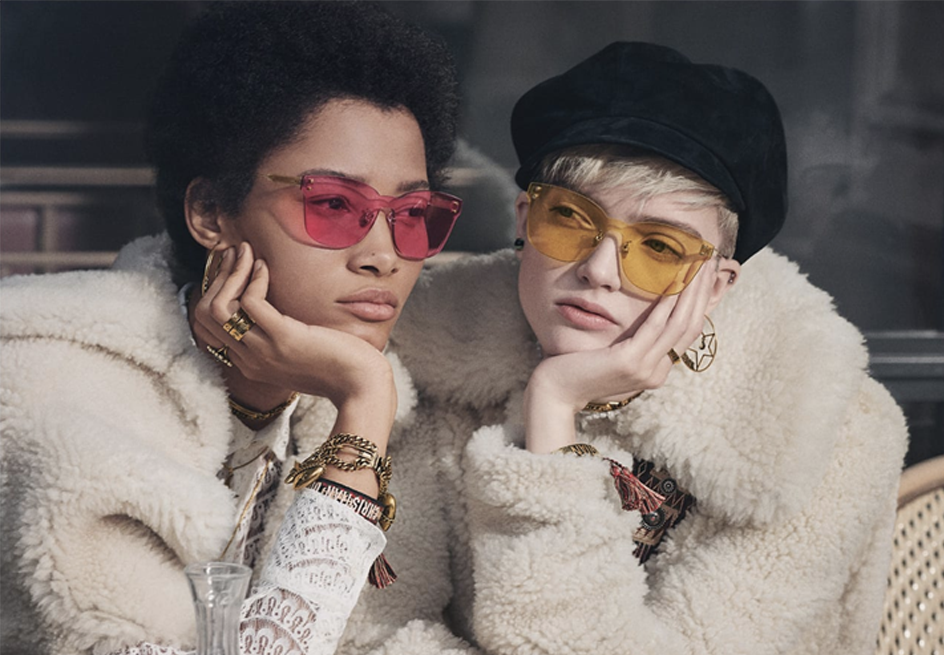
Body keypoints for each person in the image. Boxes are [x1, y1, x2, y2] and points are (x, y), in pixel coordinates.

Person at [388, 42, 909, 654]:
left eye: (660, 247)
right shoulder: (429, 363)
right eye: (572, 220)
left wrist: (551, 409)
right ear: (524, 221)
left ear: (717, 286)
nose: (601, 270)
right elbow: (365, 630)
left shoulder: (825, 434)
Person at [0, 1, 462, 653]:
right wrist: (364, 398)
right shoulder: (58, 395)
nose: (382, 254)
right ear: (212, 211)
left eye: (412, 212)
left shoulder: (398, 421)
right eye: (333, 204)